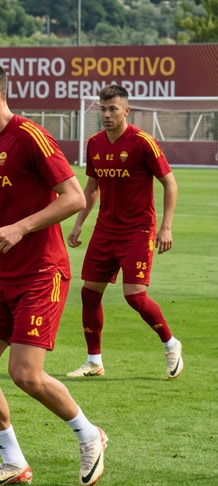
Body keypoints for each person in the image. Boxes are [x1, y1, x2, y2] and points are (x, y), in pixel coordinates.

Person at [0, 59, 105, 486]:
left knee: (25, 374)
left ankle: (89, 434)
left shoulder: (31, 136)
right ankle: (13, 461)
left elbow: (74, 197)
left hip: (41, 272)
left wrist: (21, 227)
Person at [66, 85, 182, 379]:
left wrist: (166, 227)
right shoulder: (94, 143)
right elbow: (92, 187)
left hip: (137, 231)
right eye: (103, 109)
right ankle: (94, 361)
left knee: (135, 297)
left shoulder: (143, 143)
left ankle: (171, 344)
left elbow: (170, 183)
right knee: (89, 294)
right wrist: (79, 223)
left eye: (113, 109)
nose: (106, 114)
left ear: (126, 111)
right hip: (105, 230)